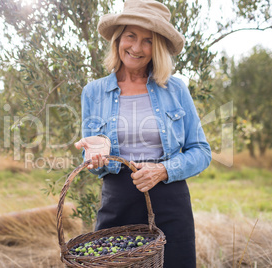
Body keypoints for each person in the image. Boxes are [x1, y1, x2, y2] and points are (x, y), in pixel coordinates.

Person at [74, 0, 212, 267]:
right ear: (118, 39)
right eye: (130, 36)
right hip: (117, 202)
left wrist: (163, 170)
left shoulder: (176, 89)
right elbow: (91, 164)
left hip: (170, 201)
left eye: (147, 41)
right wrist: (94, 158)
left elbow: (201, 152)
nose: (136, 48)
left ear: (157, 47)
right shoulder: (93, 92)